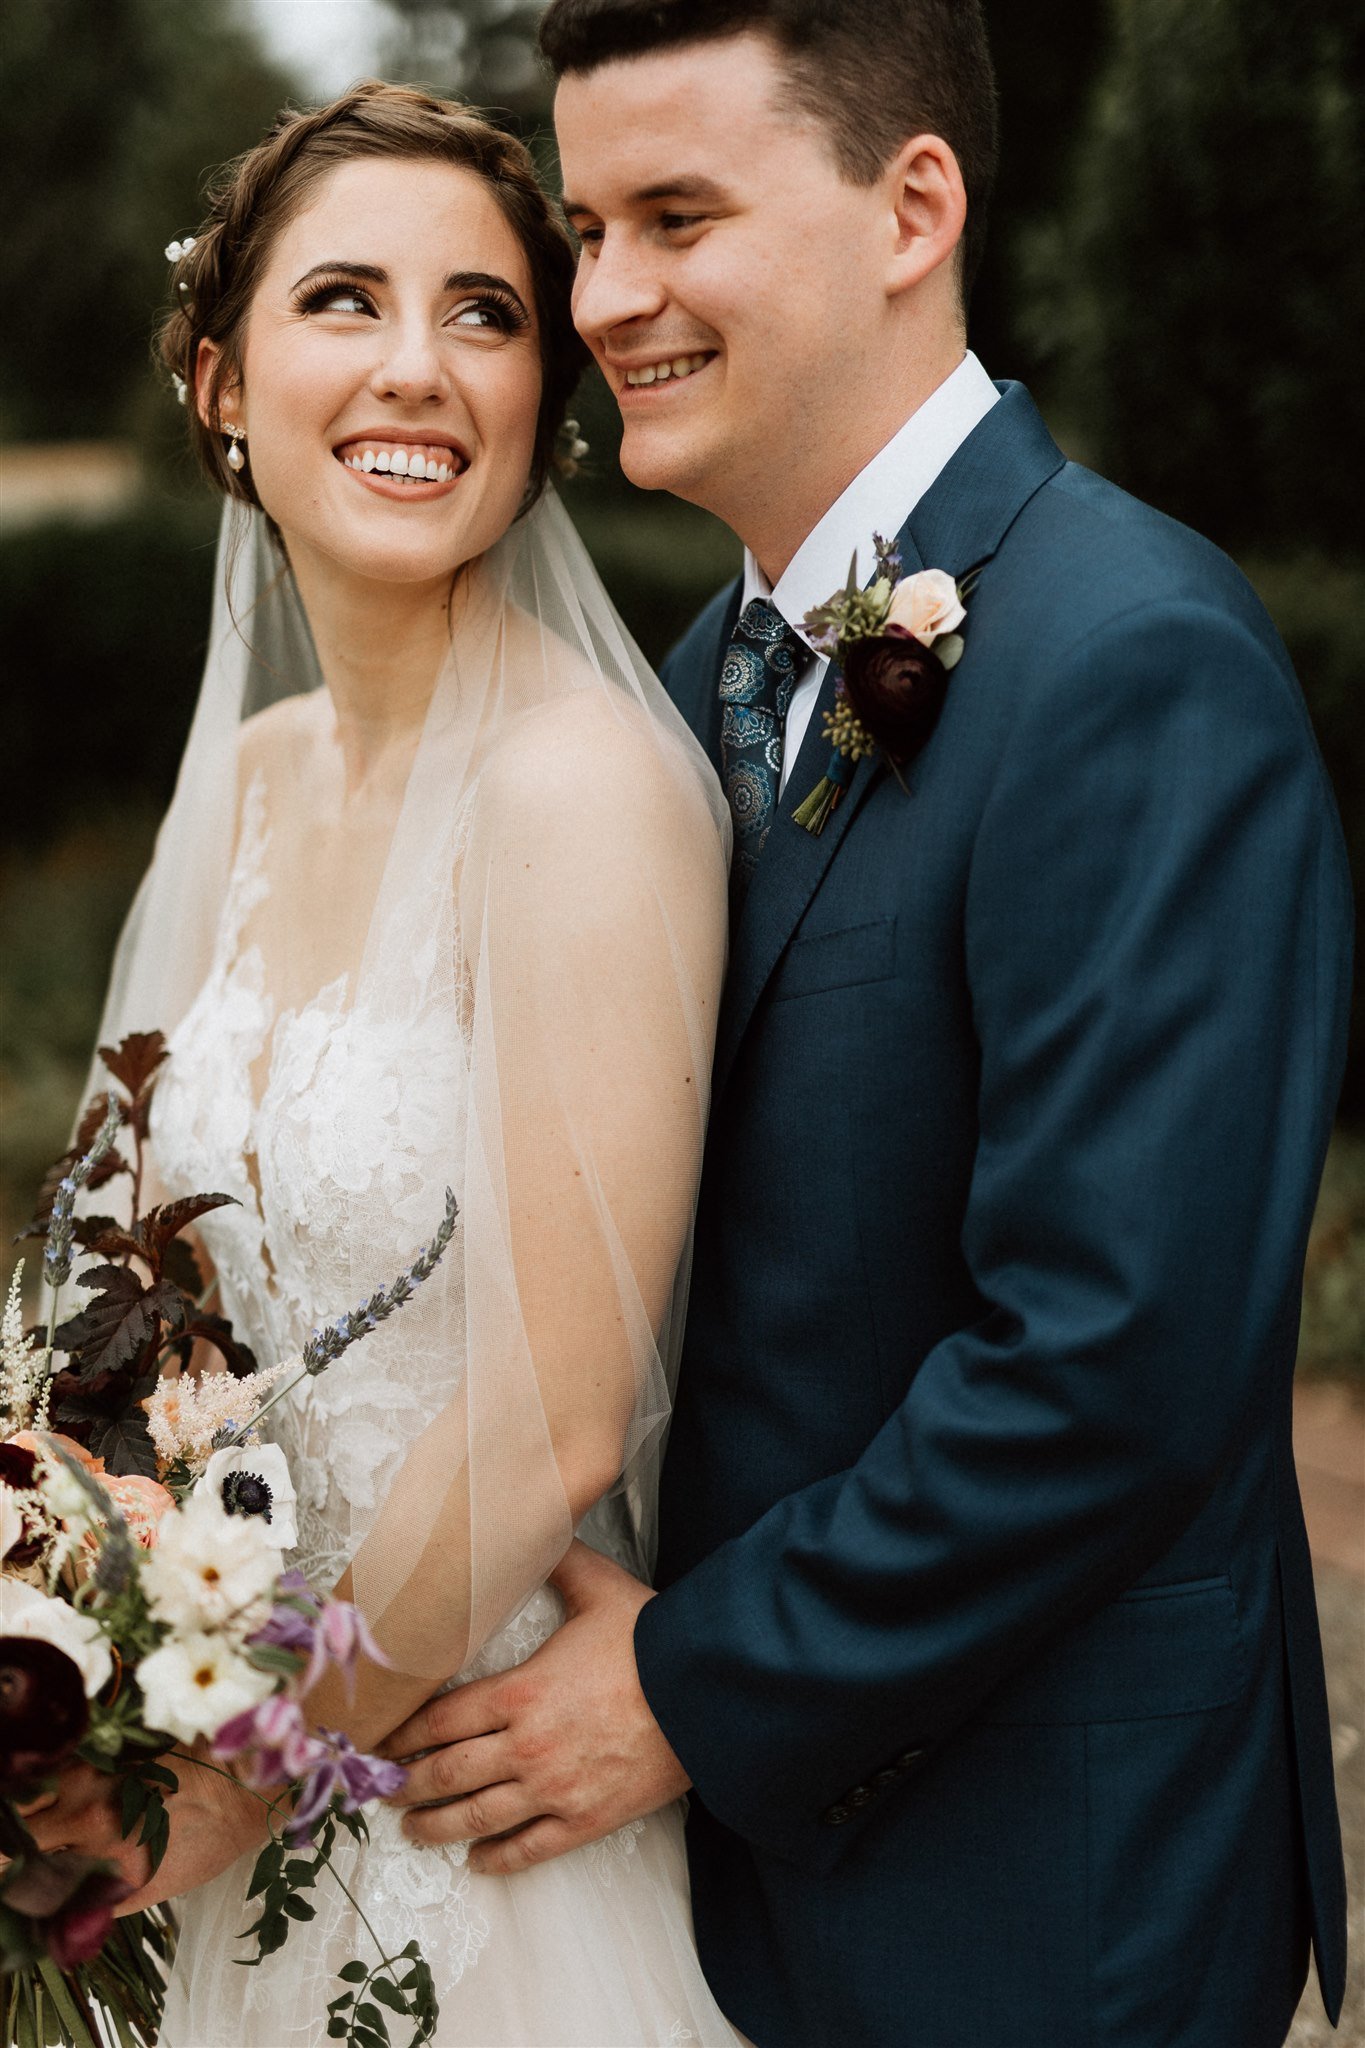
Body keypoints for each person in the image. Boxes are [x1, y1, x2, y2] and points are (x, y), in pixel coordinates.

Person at [380, 7, 1354, 2046]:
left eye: (675, 214)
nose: (604, 297)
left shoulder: (1132, 656)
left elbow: (1111, 1358)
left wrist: (683, 1682)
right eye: (583, 226)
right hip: (703, 1901)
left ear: (912, 204)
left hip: (1033, 1889)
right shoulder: (668, 686)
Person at [25, 80, 746, 2047]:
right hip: (202, 1755)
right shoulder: (249, 785)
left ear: (545, 399)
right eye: (343, 300)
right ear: (222, 382)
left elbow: (551, 1429)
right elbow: (111, 1302)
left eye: (486, 313)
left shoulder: (584, 792)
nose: (417, 368)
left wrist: (225, 1776)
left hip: (453, 1810)